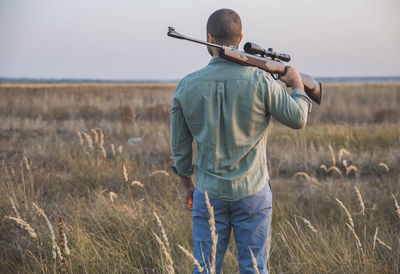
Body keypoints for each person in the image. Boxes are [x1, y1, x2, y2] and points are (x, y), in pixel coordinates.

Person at [170, 8, 311, 273]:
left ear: (209, 37)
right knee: (254, 269)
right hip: (253, 192)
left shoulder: (187, 86)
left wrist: (188, 186)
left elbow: (180, 150)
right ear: (241, 37)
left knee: (205, 269)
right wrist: (297, 86)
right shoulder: (261, 81)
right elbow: (298, 118)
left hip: (208, 194)